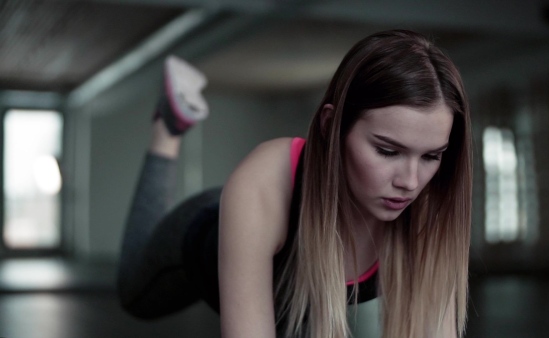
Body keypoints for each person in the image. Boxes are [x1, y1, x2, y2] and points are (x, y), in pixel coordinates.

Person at [117, 29, 472, 338]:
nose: (410, 182)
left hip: (293, 300)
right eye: (387, 151)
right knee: (134, 294)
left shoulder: (429, 204)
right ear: (331, 125)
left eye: (431, 156)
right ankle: (169, 128)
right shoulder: (262, 182)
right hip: (211, 228)